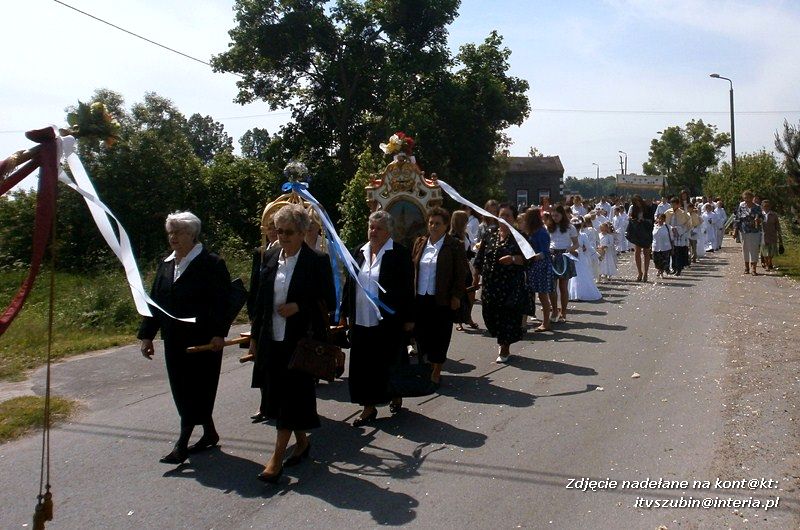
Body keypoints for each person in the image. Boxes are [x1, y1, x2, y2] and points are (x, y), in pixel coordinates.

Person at [248, 204, 335, 483]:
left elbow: (328, 302)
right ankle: (302, 442)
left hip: (301, 343)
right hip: (272, 338)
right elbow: (261, 301)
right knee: (280, 395)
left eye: (288, 232)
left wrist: (299, 306)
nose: (282, 237)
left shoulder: (316, 261)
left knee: (289, 396)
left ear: (302, 232)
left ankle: (275, 460)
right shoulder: (270, 256)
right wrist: (253, 338)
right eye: (279, 231)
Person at [138, 211, 232, 465]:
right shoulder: (167, 264)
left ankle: (181, 444)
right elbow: (155, 301)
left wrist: (219, 333)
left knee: (197, 389)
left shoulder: (211, 263)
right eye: (170, 232)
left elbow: (224, 302)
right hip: (174, 339)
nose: (173, 237)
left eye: (178, 232)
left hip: (203, 341)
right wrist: (147, 335)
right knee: (182, 389)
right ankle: (209, 432)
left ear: (192, 234)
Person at [342, 210, 414, 425]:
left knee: (388, 361)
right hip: (361, 319)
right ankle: (368, 407)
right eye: (371, 227)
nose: (373, 231)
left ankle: (395, 392)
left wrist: (409, 317)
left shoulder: (399, 254)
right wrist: (344, 313)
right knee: (363, 365)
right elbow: (350, 284)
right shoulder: (358, 252)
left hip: (388, 321)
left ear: (388, 231)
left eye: (378, 228)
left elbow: (407, 288)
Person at [412, 207, 466, 385]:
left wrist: (457, 296)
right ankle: (426, 364)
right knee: (421, 334)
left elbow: (460, 273)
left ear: (445, 226)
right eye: (431, 223)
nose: (433, 226)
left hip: (441, 298)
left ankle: (437, 368)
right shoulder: (420, 243)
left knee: (440, 334)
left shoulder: (454, 245)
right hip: (420, 297)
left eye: (437, 224)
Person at [473, 203, 526, 363]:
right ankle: (501, 338)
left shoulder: (520, 236)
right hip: (490, 285)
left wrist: (513, 259)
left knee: (507, 317)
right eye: (501, 215)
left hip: (510, 286)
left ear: (514, 218)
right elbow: (480, 257)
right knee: (489, 315)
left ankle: (504, 346)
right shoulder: (490, 233)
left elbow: (528, 259)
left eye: (508, 216)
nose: (504, 219)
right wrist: (476, 276)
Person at [247, 212, 280, 423]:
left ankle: (277, 405)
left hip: (278, 314)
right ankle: (263, 404)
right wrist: (252, 314)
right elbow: (254, 286)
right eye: (269, 227)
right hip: (262, 315)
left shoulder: (287, 251)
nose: (272, 232)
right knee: (260, 364)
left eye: (275, 227)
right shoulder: (261, 252)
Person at [522, 207, 554, 331]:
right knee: (528, 294)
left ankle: (546, 323)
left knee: (542, 295)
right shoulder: (532, 231)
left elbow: (545, 252)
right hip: (532, 266)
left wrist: (533, 257)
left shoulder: (541, 232)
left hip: (541, 266)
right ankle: (523, 322)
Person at [546, 204, 579, 323]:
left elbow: (576, 244)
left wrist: (569, 250)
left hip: (564, 256)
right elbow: (547, 241)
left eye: (557, 215)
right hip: (552, 256)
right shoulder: (548, 227)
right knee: (551, 287)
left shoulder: (570, 227)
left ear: (562, 215)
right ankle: (554, 310)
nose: (554, 218)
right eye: (553, 216)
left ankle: (563, 312)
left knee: (563, 287)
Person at [450, 210, 479, 331]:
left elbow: (468, 251)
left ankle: (468, 316)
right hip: (457, 268)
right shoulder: (452, 237)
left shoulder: (465, 234)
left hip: (466, 267)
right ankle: (458, 321)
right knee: (459, 294)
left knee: (470, 294)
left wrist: (475, 250)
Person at [568, 218, 602, 301]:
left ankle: (580, 293)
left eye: (578, 227)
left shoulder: (583, 235)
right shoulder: (568, 235)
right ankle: (571, 293)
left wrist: (597, 255)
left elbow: (589, 247)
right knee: (571, 276)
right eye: (575, 227)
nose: (577, 229)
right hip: (570, 256)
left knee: (581, 274)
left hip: (580, 258)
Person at [733, 190, 763, 275]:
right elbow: (737, 218)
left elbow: (762, 218)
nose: (747, 199)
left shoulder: (757, 207)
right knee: (745, 248)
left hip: (754, 231)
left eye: (749, 198)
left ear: (752, 198)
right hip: (744, 230)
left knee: (754, 249)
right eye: (745, 198)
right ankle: (746, 267)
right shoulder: (741, 206)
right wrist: (735, 230)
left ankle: (754, 268)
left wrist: (758, 220)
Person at [626, 195, 653, 282]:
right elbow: (630, 218)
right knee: (637, 252)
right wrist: (633, 219)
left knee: (646, 252)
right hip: (637, 231)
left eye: (638, 201)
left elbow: (651, 220)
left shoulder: (647, 208)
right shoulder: (634, 209)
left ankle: (645, 273)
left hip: (646, 231)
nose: (637, 203)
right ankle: (639, 272)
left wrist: (643, 220)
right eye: (635, 202)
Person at [665, 197, 691, 276]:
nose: (673, 206)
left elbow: (688, 224)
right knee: (672, 252)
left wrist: (679, 229)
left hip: (680, 235)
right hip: (671, 234)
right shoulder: (668, 212)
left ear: (678, 204)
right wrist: (670, 228)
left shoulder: (683, 213)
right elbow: (665, 222)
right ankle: (674, 267)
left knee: (679, 252)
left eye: (674, 204)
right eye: (671, 204)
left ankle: (679, 268)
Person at [760, 199, 782, 271]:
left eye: (768, 206)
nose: (766, 207)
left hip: (772, 234)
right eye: (764, 206)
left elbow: (777, 225)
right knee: (765, 251)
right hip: (763, 235)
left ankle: (769, 263)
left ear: (770, 207)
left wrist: (779, 234)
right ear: (762, 206)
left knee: (771, 251)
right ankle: (768, 264)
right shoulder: (760, 214)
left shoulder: (774, 215)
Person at [651, 214, 672, 279]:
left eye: (662, 219)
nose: (660, 220)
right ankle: (659, 270)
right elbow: (651, 237)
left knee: (664, 261)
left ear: (664, 220)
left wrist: (672, 246)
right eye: (659, 219)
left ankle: (661, 271)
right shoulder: (654, 227)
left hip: (665, 247)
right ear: (657, 219)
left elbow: (671, 237)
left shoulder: (667, 227)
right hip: (655, 246)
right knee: (656, 260)